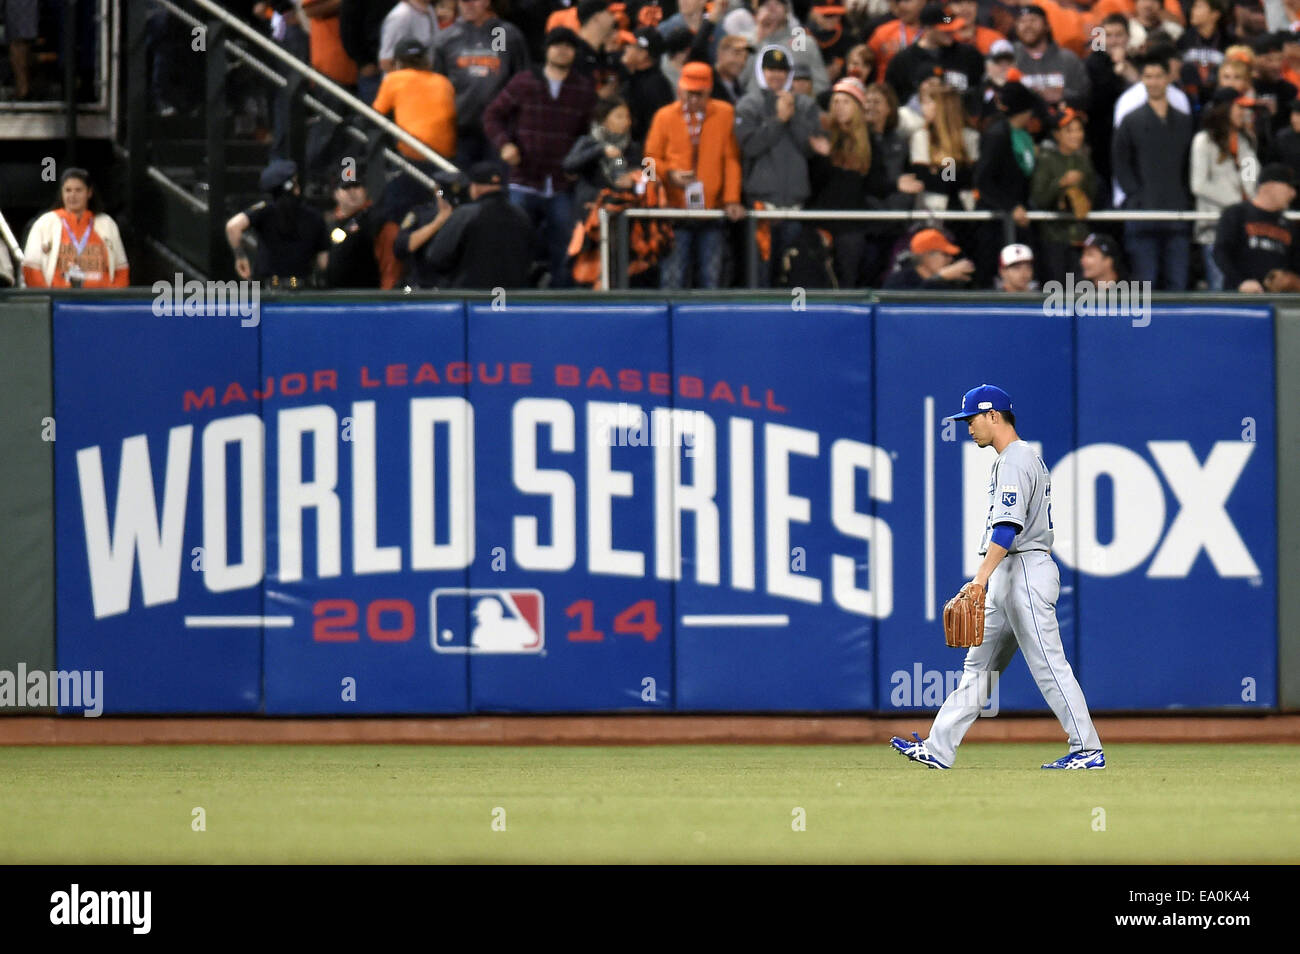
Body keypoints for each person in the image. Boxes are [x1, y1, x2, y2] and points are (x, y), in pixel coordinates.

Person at [891, 384, 1105, 771]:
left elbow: (1006, 530)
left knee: (1048, 664)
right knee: (978, 669)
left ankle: (1087, 749)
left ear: (994, 416)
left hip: (1024, 569)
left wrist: (978, 580)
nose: (968, 427)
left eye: (972, 419)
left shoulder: (1015, 459)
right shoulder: (1016, 459)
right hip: (1010, 573)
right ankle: (939, 748)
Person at [483, 27, 598, 287]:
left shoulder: (583, 89)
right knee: (514, 243)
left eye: (568, 46)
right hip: (524, 179)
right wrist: (504, 145)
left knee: (565, 249)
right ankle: (512, 298)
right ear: (546, 49)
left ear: (574, 52)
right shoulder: (524, 81)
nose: (562, 50)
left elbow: (589, 134)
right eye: (556, 44)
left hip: (562, 184)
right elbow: (492, 115)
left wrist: (578, 166)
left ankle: (561, 306)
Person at [644, 60, 746, 288]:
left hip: (712, 212)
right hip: (674, 211)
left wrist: (731, 200)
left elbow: (731, 160)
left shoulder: (726, 114)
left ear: (709, 91)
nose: (692, 100)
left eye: (698, 95)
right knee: (673, 277)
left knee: (711, 278)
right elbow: (648, 162)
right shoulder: (664, 116)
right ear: (679, 89)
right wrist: (669, 176)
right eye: (688, 93)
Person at [735, 45, 830, 286]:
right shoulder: (749, 105)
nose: (776, 75)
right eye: (770, 69)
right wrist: (778, 120)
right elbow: (750, 147)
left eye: (781, 70)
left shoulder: (806, 106)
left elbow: (809, 149)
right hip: (761, 208)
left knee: (793, 275)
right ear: (761, 71)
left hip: (795, 207)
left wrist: (792, 115)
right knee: (760, 276)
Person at [1113, 50, 1194, 290]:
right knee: (1144, 284)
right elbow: (1120, 162)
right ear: (1142, 79)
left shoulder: (1184, 120)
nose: (1153, 82)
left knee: (1177, 284)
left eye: (1158, 76)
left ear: (1168, 78)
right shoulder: (1131, 120)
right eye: (1148, 76)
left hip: (1177, 213)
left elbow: (1189, 164)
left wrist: (1186, 197)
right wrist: (1135, 197)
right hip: (1142, 215)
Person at [433, 0, 530, 167]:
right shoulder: (446, 38)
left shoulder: (507, 34)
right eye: (463, 1)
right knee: (459, 185)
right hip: (460, 129)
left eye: (473, 1)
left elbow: (523, 83)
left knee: (496, 186)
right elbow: (436, 85)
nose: (467, 5)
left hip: (500, 130)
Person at [415, 160, 538, 288]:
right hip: (513, 298)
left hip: (471, 298)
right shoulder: (522, 215)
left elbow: (436, 257)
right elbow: (531, 257)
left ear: (474, 187)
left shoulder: (466, 214)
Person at [1191, 88, 1258, 290]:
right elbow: (1199, 184)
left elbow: (1249, 179)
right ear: (1226, 109)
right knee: (1221, 288)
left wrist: (1252, 203)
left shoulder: (1245, 142)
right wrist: (1239, 205)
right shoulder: (1204, 141)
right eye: (1240, 108)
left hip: (1244, 231)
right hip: (1215, 229)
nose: (1244, 113)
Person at [226, 160, 330, 288]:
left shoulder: (263, 210)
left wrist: (240, 257)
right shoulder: (314, 216)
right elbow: (323, 262)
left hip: (270, 290)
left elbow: (233, 226)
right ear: (294, 187)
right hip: (303, 290)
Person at [21, 168, 130, 288]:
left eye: (78, 190)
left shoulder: (107, 224)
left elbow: (121, 270)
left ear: (89, 192)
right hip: (58, 302)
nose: (72, 195)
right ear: (61, 193)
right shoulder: (45, 223)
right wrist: (48, 298)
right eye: (68, 190)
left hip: (100, 302)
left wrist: (111, 299)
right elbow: (31, 269)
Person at [1030, 106, 1096, 284]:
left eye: (1079, 129)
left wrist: (1082, 190)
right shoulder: (1045, 159)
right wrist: (1060, 184)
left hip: (1080, 238)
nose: (1076, 135)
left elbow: (1095, 196)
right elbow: (1038, 199)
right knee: (1056, 289)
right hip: (1054, 239)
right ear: (1057, 134)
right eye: (1069, 131)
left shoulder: (1083, 160)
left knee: (1081, 289)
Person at [1213, 162, 1300, 292]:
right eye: (1289, 187)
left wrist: (1291, 281)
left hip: (1278, 301)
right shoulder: (1237, 214)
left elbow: (1296, 264)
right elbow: (1221, 253)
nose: (1293, 194)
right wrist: (1241, 282)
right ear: (1271, 186)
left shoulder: (1289, 226)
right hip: (1240, 299)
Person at [371, 38, 457, 162]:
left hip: (414, 151)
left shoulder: (394, 79)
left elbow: (376, 114)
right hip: (446, 152)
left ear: (398, 61)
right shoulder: (443, 81)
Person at [1084, 14, 1137, 207]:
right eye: (1109, 35)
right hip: (1102, 141)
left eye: (1119, 35)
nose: (1114, 40)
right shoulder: (1093, 63)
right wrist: (1116, 71)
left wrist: (1126, 69)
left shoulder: (1136, 61)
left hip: (1133, 137)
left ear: (1128, 37)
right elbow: (1096, 100)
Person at [884, 3, 984, 103]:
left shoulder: (969, 55)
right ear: (927, 29)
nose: (951, 31)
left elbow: (979, 90)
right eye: (945, 30)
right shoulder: (903, 61)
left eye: (953, 27)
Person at [564, 96, 642, 212]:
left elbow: (643, 171)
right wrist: (600, 150)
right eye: (619, 116)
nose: (625, 122)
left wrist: (633, 179)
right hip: (590, 208)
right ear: (604, 119)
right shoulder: (588, 142)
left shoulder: (631, 147)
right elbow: (569, 165)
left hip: (620, 208)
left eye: (627, 117)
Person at [1013, 4, 1090, 108]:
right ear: (1016, 28)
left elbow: (1086, 96)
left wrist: (1062, 95)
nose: (1027, 26)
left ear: (1047, 26)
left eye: (1033, 20)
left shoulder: (1068, 59)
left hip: (1063, 119)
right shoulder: (1010, 60)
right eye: (1022, 21)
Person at [325, 169, 389, 289]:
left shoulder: (375, 219)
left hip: (368, 293)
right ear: (336, 194)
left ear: (365, 191)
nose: (352, 192)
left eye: (356, 186)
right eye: (346, 188)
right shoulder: (329, 224)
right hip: (334, 294)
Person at [621, 26, 675, 141]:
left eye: (630, 46)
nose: (626, 48)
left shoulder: (656, 86)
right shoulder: (630, 76)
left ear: (643, 54)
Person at [881, 227, 975, 287]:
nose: (950, 259)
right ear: (926, 256)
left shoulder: (950, 281)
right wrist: (940, 278)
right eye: (945, 254)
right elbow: (915, 304)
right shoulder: (899, 280)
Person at [378, 0, 439, 70]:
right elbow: (386, 62)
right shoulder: (401, 15)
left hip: (427, 77)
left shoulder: (429, 10)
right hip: (402, 79)